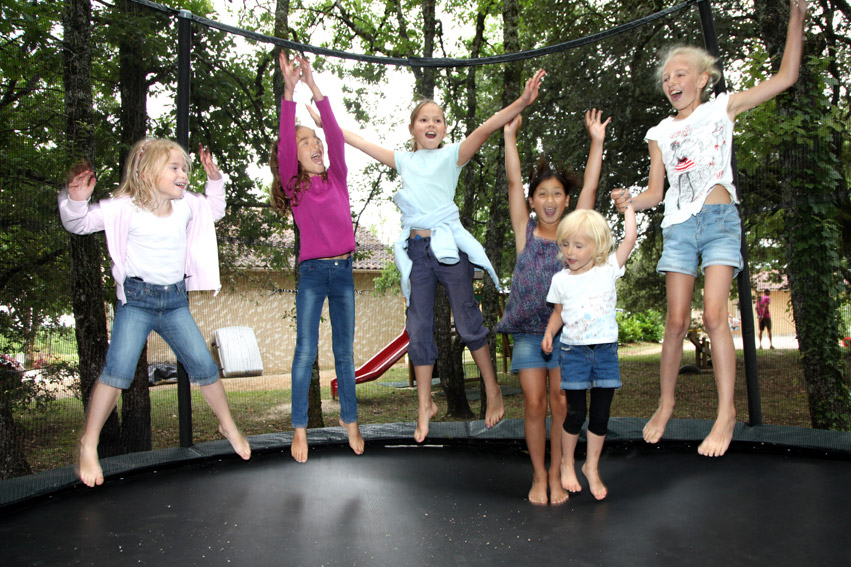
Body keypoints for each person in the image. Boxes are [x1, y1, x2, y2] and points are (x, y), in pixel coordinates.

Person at [612, 0, 807, 457]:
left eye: (680, 74)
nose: (671, 82)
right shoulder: (659, 132)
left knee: (716, 315)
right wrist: (629, 201)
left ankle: (726, 412)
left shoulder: (721, 109)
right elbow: (655, 192)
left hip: (719, 222)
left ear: (702, 79)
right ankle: (666, 403)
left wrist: (796, 18)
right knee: (676, 321)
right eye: (666, 78)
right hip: (679, 228)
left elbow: (785, 78)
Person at [342, 69, 548, 443]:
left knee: (468, 321)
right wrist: (325, 117)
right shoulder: (403, 160)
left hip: (448, 248)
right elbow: (359, 142)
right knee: (418, 327)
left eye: (437, 119)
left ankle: (493, 389)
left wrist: (522, 101)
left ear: (445, 129)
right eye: (424, 119)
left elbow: (486, 127)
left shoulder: (453, 156)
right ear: (412, 129)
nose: (431, 124)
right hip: (418, 252)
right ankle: (425, 405)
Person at [59, 139, 252, 488]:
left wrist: (215, 180)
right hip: (137, 302)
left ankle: (227, 425)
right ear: (147, 172)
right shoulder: (123, 208)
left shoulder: (187, 205)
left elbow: (215, 209)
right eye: (175, 168)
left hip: (174, 303)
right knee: (117, 372)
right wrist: (76, 200)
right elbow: (79, 223)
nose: (184, 175)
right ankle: (89, 441)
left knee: (205, 366)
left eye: (185, 169)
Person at [495, 109, 610, 505]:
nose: (550, 200)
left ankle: (562, 470)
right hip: (529, 333)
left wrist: (596, 142)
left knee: (561, 403)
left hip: (568, 333)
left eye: (557, 193)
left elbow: (590, 189)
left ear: (566, 201)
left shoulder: (572, 235)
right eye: (542, 193)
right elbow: (513, 180)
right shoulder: (524, 231)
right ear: (532, 201)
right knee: (534, 403)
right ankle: (539, 475)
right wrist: (509, 136)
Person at [270, 52, 364, 463]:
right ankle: (299, 428)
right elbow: (285, 145)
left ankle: (350, 419)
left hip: (343, 272)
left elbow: (337, 137)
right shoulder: (295, 186)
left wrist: (313, 85)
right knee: (306, 351)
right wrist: (290, 92)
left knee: (344, 352)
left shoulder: (337, 177)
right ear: (293, 155)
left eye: (315, 139)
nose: (315, 144)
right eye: (305, 141)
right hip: (312, 274)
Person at [542, 204, 637, 501]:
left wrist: (629, 208)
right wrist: (549, 333)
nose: (570, 251)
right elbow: (559, 313)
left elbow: (630, 239)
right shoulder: (561, 280)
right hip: (574, 352)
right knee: (575, 413)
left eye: (578, 245)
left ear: (597, 246)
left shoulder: (608, 269)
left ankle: (591, 467)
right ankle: (567, 463)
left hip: (605, 352)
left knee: (600, 415)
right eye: (565, 244)